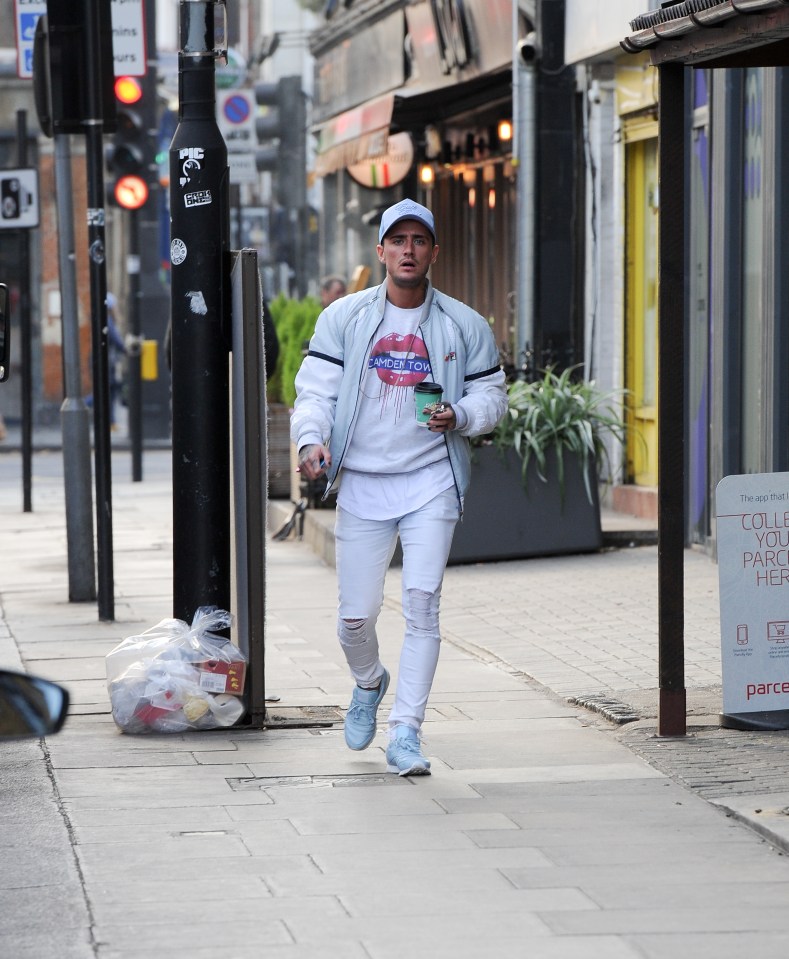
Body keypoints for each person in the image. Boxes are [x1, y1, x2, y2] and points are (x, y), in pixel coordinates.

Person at [291, 199, 507, 776]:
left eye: (419, 240)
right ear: (382, 250)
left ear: (434, 251)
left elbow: (493, 399)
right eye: (398, 240)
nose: (408, 250)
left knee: (422, 606)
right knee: (354, 620)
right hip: (363, 481)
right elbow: (315, 392)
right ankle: (368, 681)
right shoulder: (345, 318)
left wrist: (458, 415)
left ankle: (406, 732)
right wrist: (311, 441)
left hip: (431, 479)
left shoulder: (464, 324)